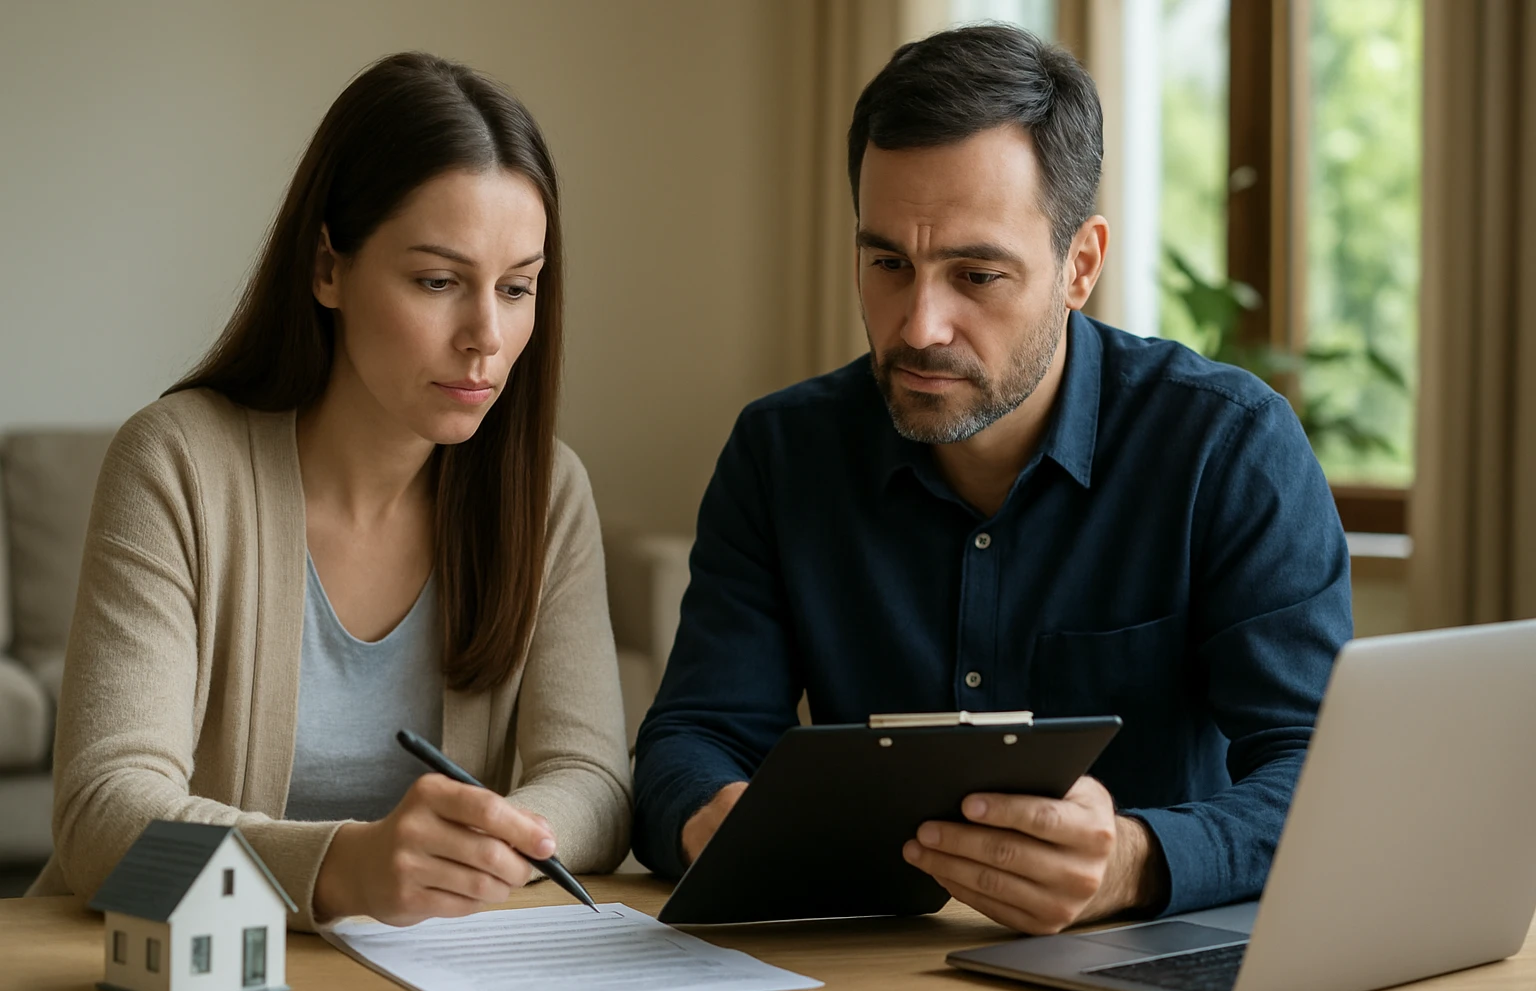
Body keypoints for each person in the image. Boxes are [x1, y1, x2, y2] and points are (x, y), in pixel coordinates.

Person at [633, 24, 1351, 934]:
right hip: (866, 977)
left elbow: (1323, 772)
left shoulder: (1227, 446)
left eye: (976, 274)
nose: (921, 323)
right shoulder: (782, 455)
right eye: (887, 262)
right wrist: (718, 821)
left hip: (1144, 965)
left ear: (1079, 266)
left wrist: (1134, 861)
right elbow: (689, 738)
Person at [28, 53, 631, 930]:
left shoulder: (546, 493)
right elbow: (102, 814)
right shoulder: (176, 465)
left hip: (432, 982)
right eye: (437, 281)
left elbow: (596, 787)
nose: (487, 338)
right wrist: (341, 869)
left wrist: (497, 843)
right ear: (327, 269)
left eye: (517, 288)